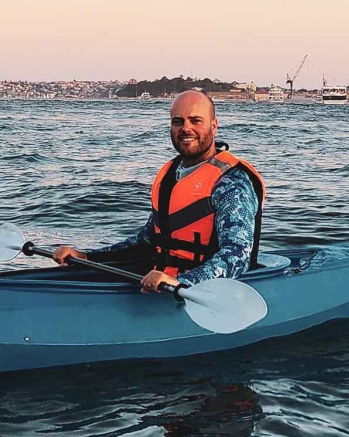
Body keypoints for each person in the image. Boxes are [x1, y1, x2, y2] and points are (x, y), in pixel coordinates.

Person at [53, 90, 265, 293]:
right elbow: (148, 239)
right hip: (163, 283)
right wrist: (87, 257)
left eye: (195, 121)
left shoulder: (232, 182)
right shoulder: (170, 175)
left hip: (201, 292)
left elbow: (237, 256)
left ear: (214, 126)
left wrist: (179, 283)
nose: (186, 128)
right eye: (178, 121)